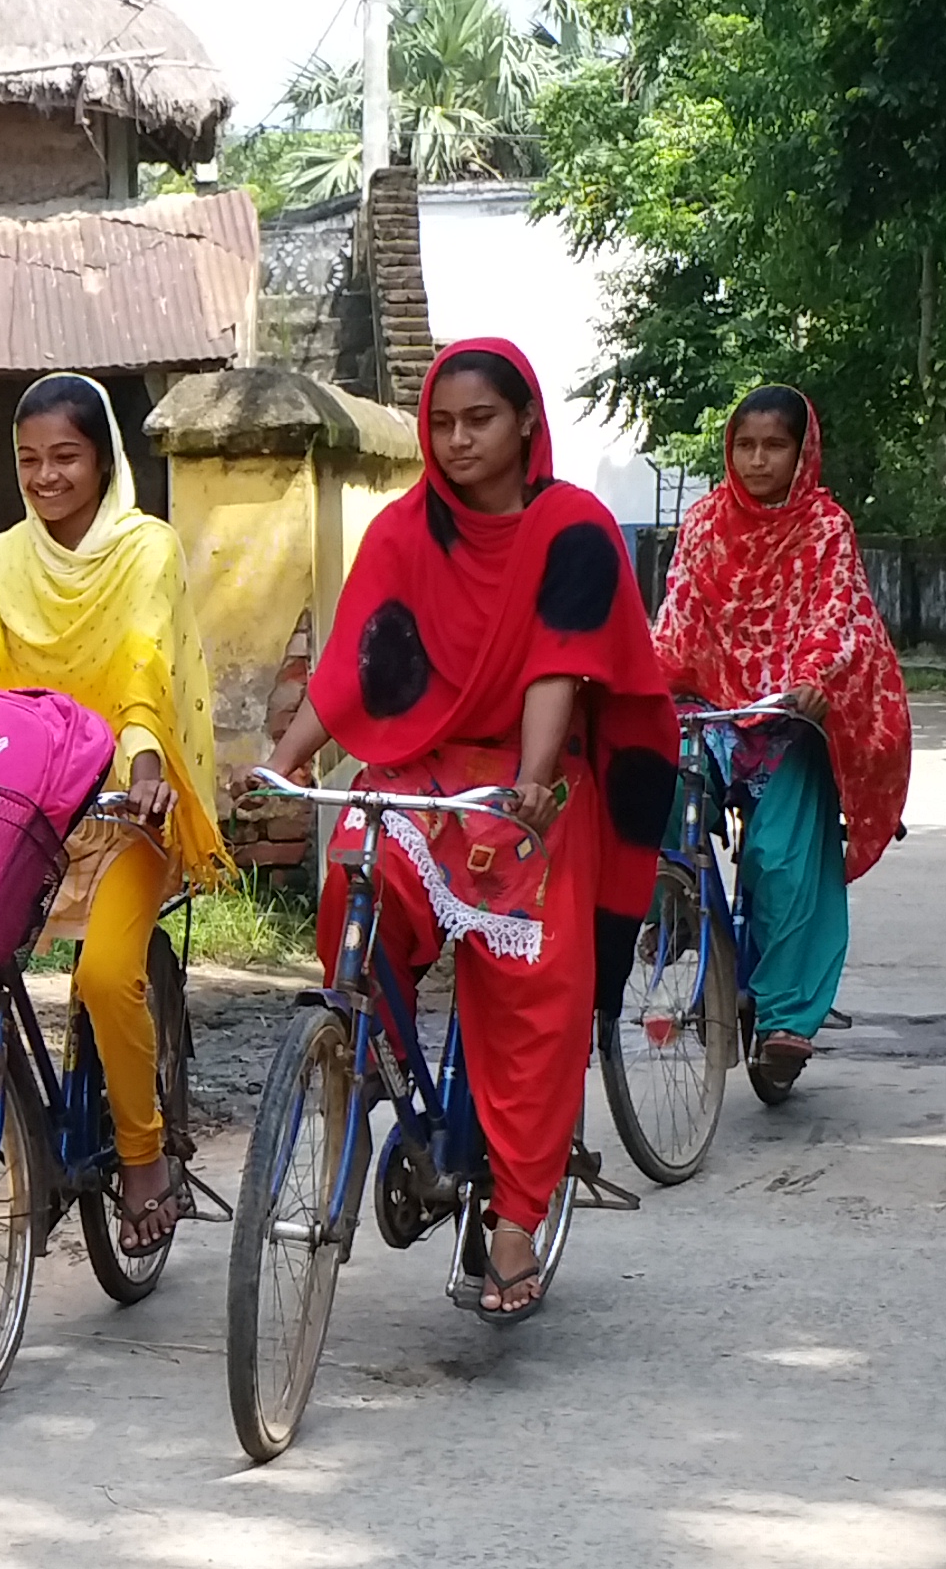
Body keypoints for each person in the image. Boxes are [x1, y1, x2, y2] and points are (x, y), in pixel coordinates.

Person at [265, 340, 675, 1323]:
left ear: (526, 421)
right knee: (357, 873)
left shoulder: (573, 529)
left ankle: (516, 1222)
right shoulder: (407, 532)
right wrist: (283, 764)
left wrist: (533, 782)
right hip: (420, 766)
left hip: (528, 782)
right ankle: (365, 1049)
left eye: (477, 421)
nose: (455, 442)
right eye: (440, 423)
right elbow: (359, 667)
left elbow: (559, 666)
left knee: (534, 996)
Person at [0, 372, 231, 1253]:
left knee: (107, 977)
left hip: (129, 803)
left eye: (66, 457)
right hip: (32, 802)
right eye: (29, 459)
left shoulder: (147, 549)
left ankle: (145, 1157)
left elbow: (145, 660)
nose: (46, 477)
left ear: (104, 460)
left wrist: (145, 761)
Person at [647, 384, 910, 1089]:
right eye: (745, 445)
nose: (758, 459)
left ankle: (788, 1013)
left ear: (803, 453)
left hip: (788, 711)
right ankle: (672, 908)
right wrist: (647, 673)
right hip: (708, 703)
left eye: (774, 446)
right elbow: (679, 610)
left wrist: (815, 681)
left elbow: (840, 614)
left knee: (782, 857)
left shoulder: (826, 528)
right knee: (647, 779)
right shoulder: (704, 522)